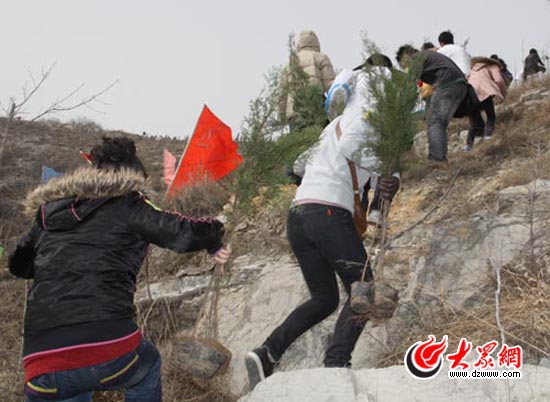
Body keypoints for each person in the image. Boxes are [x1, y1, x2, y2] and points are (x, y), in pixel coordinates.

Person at [9, 137, 230, 402]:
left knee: (69, 384)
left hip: (40, 360)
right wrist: (215, 236)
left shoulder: (48, 213)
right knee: (147, 365)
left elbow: (18, 265)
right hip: (106, 343)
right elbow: (180, 231)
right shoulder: (127, 202)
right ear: (132, 175)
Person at [245, 67, 400, 389]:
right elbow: (352, 147)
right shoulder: (367, 120)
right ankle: (336, 363)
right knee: (364, 288)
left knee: (325, 298)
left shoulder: (333, 125)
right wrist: (388, 170)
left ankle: (267, 353)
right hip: (329, 211)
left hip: (299, 215)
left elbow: (298, 165)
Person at [396, 45, 468, 162]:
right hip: (460, 86)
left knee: (434, 121)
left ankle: (436, 159)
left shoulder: (417, 57)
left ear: (406, 56)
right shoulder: (430, 56)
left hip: (447, 84)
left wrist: (400, 109)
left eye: (405, 66)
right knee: (440, 123)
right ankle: (441, 159)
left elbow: (410, 85)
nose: (407, 68)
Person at [280, 30, 336, 132]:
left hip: (294, 111)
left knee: (299, 140)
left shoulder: (291, 62)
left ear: (299, 44)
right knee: (321, 139)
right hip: (317, 107)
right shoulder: (321, 58)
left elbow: (283, 94)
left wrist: (282, 117)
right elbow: (330, 86)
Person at [464, 57, 507, 151]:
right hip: (484, 91)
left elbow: (466, 79)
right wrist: (503, 94)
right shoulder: (493, 66)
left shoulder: (473, 69)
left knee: (475, 123)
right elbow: (499, 80)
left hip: (470, 94)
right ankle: (488, 137)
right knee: (491, 116)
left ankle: (468, 146)